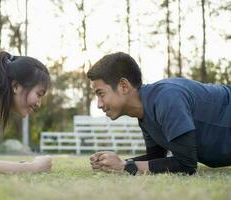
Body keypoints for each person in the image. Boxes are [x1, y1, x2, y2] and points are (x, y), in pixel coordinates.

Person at [87, 52, 231, 175]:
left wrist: (125, 167)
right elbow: (156, 156)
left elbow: (186, 165)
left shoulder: (167, 98)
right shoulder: (144, 111)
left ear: (124, 86)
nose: (99, 104)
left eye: (101, 94)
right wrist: (118, 163)